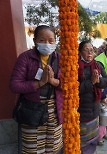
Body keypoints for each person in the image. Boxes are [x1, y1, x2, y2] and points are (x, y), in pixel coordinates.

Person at [10, 25, 63, 153]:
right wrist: (39, 83)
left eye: (51, 41)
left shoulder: (60, 58)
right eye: (42, 40)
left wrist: (53, 81)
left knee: (52, 147)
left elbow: (69, 84)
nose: (47, 44)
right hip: (32, 109)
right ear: (35, 41)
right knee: (32, 149)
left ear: (55, 41)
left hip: (54, 109)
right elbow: (14, 85)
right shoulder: (25, 58)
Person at [78, 41, 107, 154]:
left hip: (94, 108)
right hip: (81, 110)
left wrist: (98, 81)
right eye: (86, 50)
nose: (89, 53)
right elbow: (74, 89)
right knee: (81, 140)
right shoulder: (75, 66)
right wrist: (91, 82)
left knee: (92, 139)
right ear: (80, 52)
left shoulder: (97, 65)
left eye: (91, 50)